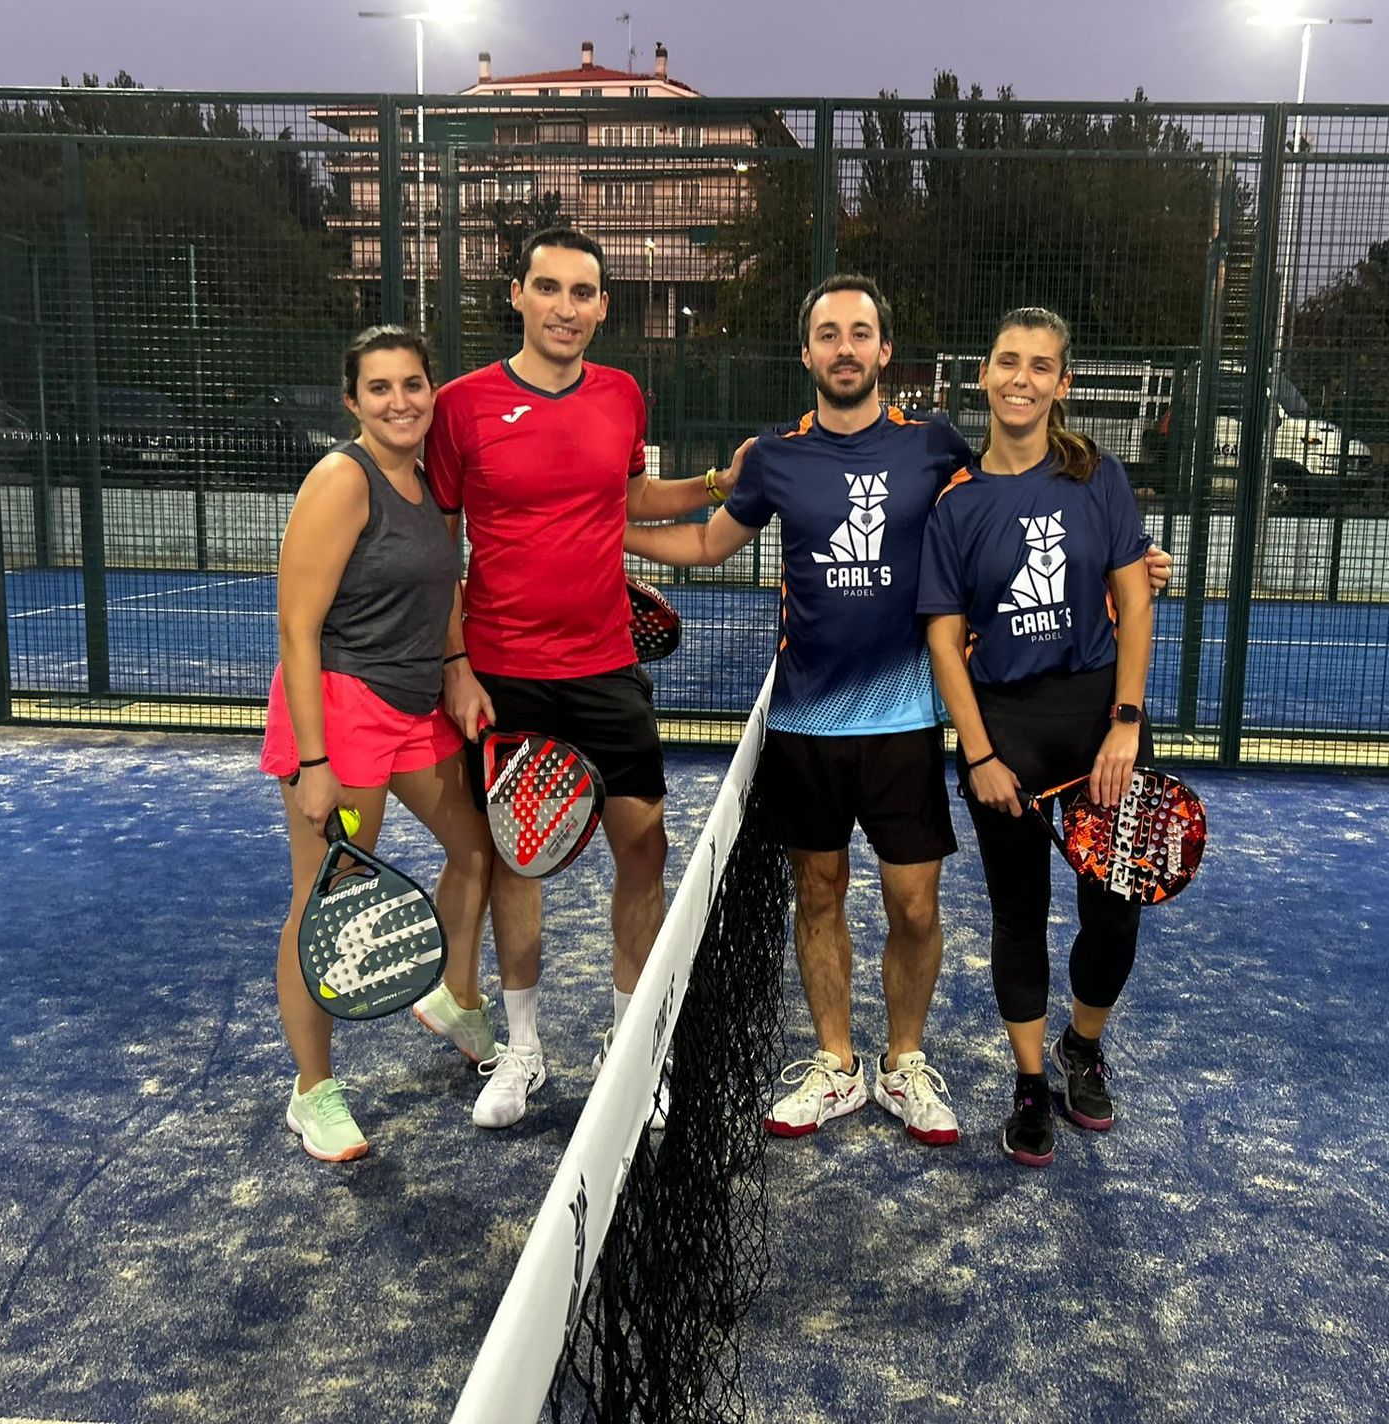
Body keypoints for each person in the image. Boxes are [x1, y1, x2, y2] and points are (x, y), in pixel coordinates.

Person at [625, 275, 1172, 1149]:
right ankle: (837, 1063)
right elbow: (701, 540)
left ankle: (905, 1062)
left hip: (909, 718)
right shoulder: (773, 456)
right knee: (819, 892)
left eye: (862, 333)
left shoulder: (938, 447)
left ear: (885, 351)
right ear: (806, 352)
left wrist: (1138, 562)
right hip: (805, 722)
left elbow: (1028, 497)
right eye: (828, 335)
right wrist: (593, 524)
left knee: (917, 908)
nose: (845, 348)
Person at [419, 226, 737, 1129]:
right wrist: (453, 663)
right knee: (520, 860)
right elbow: (442, 548)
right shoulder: (462, 406)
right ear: (516, 294)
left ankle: (628, 1045)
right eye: (550, 288)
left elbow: (630, 500)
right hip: (505, 672)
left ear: (603, 305)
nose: (567, 307)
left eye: (585, 292)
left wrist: (718, 481)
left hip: (606, 666)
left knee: (644, 845)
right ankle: (522, 1051)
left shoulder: (623, 395)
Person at [918, 307, 1155, 1168]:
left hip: (1101, 720)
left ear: (1062, 382)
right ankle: (1028, 1083)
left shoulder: (1100, 479)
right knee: (1020, 915)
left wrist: (1125, 724)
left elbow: (1135, 603)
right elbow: (945, 640)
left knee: (1114, 911)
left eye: (1041, 365)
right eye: (1008, 361)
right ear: (983, 375)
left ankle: (1081, 1047)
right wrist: (978, 753)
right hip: (1004, 727)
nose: (1022, 378)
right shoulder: (956, 506)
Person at [260, 325, 497, 1163]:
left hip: (414, 706)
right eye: (380, 387)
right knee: (326, 902)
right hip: (339, 710)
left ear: (432, 391)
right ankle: (312, 1091)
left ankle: (456, 1000)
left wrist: (459, 667)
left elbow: (445, 591)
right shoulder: (341, 479)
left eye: (413, 384)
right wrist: (314, 763)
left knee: (478, 850)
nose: (401, 401)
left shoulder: (430, 481)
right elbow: (297, 628)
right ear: (353, 399)